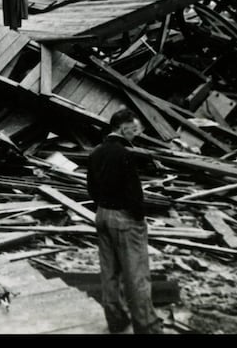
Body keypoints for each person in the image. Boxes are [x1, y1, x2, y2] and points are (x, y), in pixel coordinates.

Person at [86, 108, 162, 334]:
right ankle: (146, 325)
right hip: (124, 218)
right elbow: (134, 194)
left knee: (109, 272)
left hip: (102, 214)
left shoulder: (96, 153)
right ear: (122, 126)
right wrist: (139, 217)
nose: (136, 133)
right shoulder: (125, 154)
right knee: (136, 274)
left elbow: (91, 189)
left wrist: (103, 207)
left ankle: (116, 319)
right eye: (133, 128)